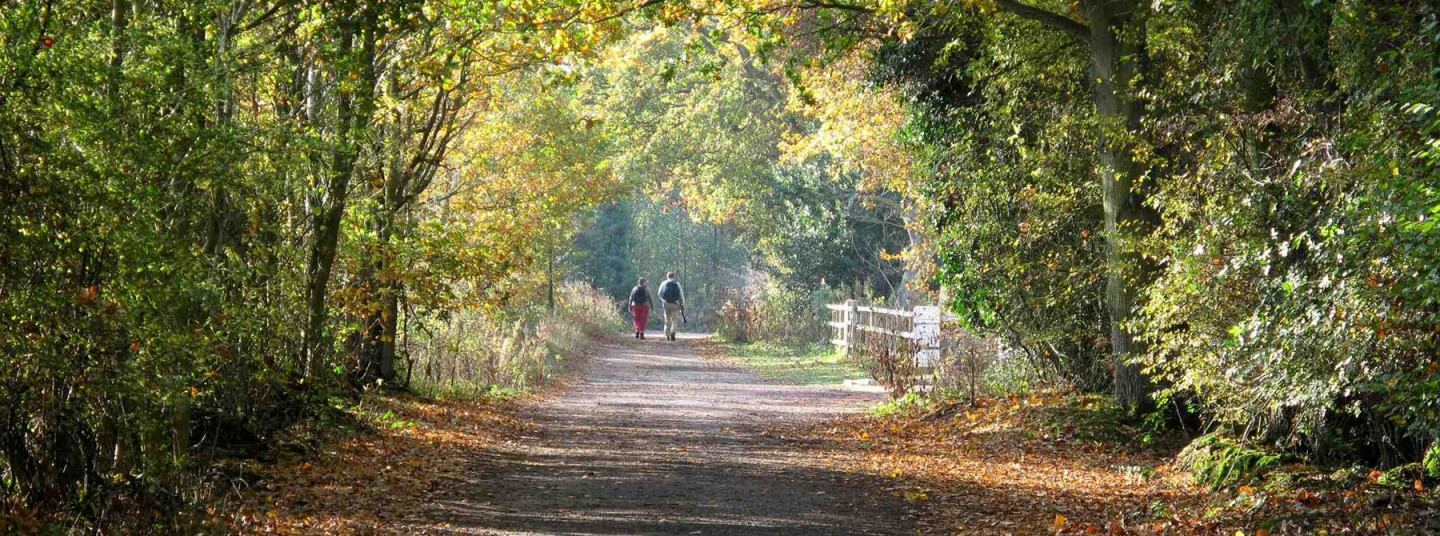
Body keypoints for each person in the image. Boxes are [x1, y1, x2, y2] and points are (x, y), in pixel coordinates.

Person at [657, 272, 685, 341]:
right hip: (675, 304)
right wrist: (683, 304)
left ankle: (667, 335)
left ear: (667, 277)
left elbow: (659, 294)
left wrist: (663, 300)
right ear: (674, 277)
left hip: (666, 304)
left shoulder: (663, 283)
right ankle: (673, 332)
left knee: (667, 320)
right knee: (674, 320)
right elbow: (681, 295)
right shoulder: (677, 283)